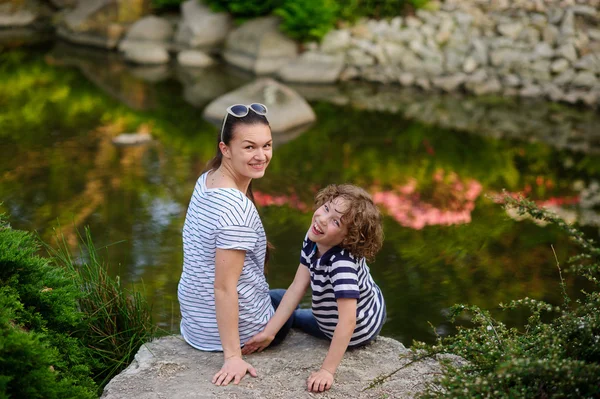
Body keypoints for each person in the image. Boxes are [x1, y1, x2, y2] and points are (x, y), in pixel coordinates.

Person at [242, 184, 386, 393]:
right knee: (281, 298)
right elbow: (298, 286)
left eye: (336, 222)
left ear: (348, 238)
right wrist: (270, 332)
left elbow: (348, 320)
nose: (322, 219)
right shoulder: (314, 238)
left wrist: (327, 370)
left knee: (294, 314)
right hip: (334, 315)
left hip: (358, 328)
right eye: (327, 209)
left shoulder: (341, 265)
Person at [178, 103, 282, 387]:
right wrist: (233, 356)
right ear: (225, 149)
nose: (261, 156)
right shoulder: (236, 212)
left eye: (267, 145)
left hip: (196, 323)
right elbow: (224, 288)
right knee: (298, 306)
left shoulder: (207, 180)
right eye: (249, 147)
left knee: (284, 294)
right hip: (238, 331)